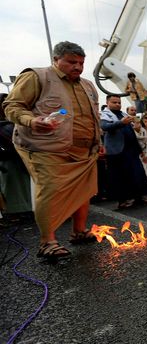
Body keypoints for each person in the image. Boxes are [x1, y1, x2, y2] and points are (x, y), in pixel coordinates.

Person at [3, 41, 102, 260]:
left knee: (84, 190)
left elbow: (94, 116)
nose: (77, 67)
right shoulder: (37, 76)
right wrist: (31, 121)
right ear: (56, 60)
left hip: (85, 150)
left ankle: (79, 231)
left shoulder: (87, 85)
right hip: (47, 148)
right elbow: (12, 106)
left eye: (81, 63)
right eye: (71, 62)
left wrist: (98, 141)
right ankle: (48, 242)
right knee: (50, 190)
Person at [101, 95, 147, 209]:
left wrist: (139, 150)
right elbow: (104, 127)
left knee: (137, 172)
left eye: (119, 102)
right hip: (116, 151)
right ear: (107, 102)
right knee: (119, 176)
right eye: (114, 102)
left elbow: (131, 132)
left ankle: (139, 197)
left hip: (131, 150)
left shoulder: (124, 114)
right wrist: (121, 123)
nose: (118, 104)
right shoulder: (104, 114)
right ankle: (122, 200)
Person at [0, 93, 32, 223]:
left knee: (19, 186)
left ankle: (21, 211)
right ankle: (16, 212)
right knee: (13, 186)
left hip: (15, 159)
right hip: (9, 160)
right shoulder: (6, 125)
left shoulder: (11, 123)